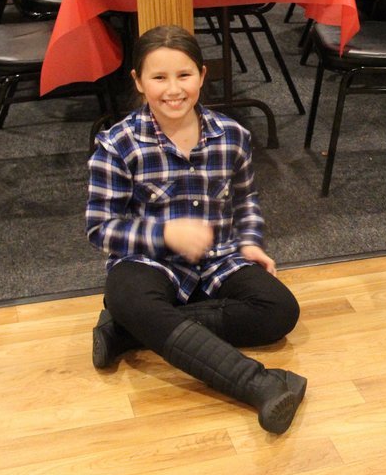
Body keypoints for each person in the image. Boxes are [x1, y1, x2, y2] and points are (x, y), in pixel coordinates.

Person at [86, 25, 306, 435]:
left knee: (280, 310)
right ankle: (260, 384)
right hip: (149, 261)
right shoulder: (117, 144)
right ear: (138, 81)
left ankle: (128, 330)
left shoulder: (233, 136)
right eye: (159, 77)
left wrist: (250, 243)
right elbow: (101, 228)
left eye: (184, 75)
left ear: (202, 76)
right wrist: (165, 234)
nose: (173, 89)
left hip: (218, 258)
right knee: (126, 295)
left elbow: (245, 200)